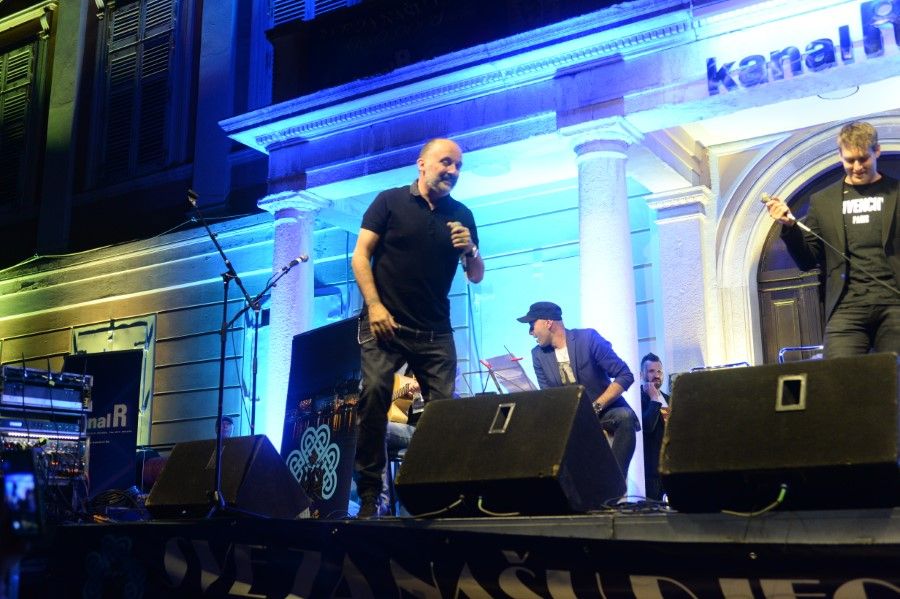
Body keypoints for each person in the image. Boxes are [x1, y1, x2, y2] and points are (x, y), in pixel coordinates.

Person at [351, 138, 484, 518]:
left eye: (458, 166)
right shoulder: (389, 202)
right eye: (446, 162)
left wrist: (471, 250)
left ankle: (436, 492)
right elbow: (360, 256)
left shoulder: (461, 215)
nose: (453, 171)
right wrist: (375, 306)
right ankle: (370, 494)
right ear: (422, 164)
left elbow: (476, 275)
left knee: (443, 413)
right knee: (375, 394)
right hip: (386, 325)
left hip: (435, 331)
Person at [765, 121, 900, 358]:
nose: (857, 167)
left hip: (894, 303)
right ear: (840, 156)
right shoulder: (823, 201)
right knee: (838, 375)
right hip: (846, 307)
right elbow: (808, 261)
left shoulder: (896, 192)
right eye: (850, 160)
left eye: (863, 159)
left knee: (895, 375)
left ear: (877, 151)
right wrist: (790, 227)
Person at [517, 301, 638, 476]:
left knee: (625, 417)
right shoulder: (538, 355)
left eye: (532, 325)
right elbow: (549, 396)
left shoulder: (588, 339)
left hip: (602, 412)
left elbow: (625, 375)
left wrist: (595, 407)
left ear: (548, 322)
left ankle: (615, 481)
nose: (530, 332)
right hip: (569, 418)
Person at [639, 352, 670, 501]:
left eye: (659, 371)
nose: (657, 375)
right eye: (651, 371)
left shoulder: (669, 398)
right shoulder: (638, 398)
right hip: (652, 473)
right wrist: (653, 399)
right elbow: (647, 426)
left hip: (671, 470)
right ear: (642, 375)